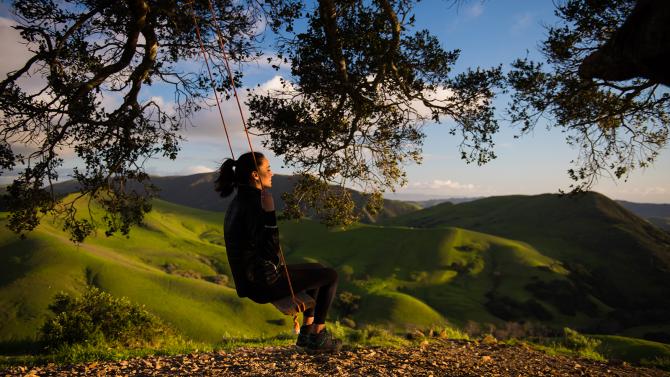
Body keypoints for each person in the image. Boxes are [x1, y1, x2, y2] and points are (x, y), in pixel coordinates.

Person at [215, 151, 342, 352]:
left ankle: (307, 333)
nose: (272, 173)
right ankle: (318, 335)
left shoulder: (239, 201)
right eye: (268, 169)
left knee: (316, 269)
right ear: (255, 175)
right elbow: (269, 251)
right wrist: (270, 213)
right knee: (331, 276)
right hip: (262, 282)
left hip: (252, 279)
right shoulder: (254, 203)